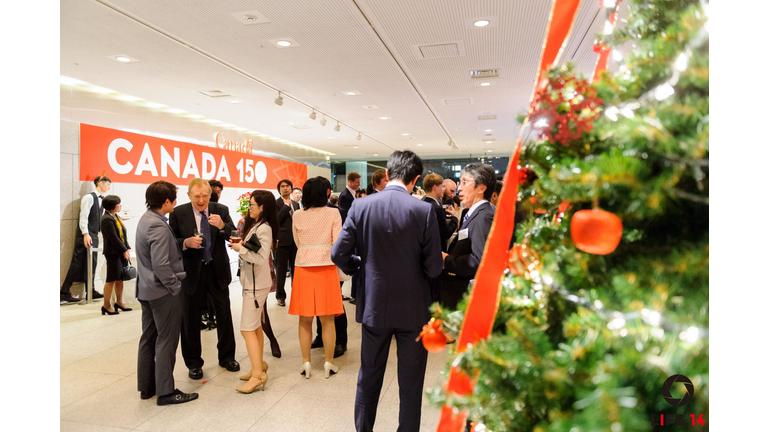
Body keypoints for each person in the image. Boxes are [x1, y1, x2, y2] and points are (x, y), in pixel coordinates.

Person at [332, 150, 442, 432]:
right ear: (415, 178)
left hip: (375, 307)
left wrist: (360, 267)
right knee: (411, 383)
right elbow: (433, 268)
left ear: (388, 173)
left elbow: (338, 254)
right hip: (413, 310)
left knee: (368, 377)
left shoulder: (361, 207)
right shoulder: (423, 210)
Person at [169, 178, 239, 381]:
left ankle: (227, 357)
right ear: (189, 195)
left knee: (224, 315)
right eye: (197, 196)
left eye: (205, 196)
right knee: (190, 320)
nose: (201, 200)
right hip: (191, 273)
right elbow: (171, 241)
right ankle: (193, 364)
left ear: (211, 195)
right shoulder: (178, 213)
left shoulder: (221, 209)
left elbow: (233, 235)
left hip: (217, 271)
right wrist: (186, 242)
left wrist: (223, 226)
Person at [135, 181, 198, 405]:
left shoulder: (146, 219)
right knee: (166, 341)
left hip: (146, 290)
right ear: (166, 202)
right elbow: (161, 265)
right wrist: (175, 286)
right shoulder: (159, 226)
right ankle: (166, 391)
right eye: (174, 199)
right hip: (162, 292)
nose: (176, 203)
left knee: (149, 339)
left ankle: (147, 387)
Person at [290, 177, 345, 379]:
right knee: (327, 319)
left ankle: (306, 363)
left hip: (303, 267)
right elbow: (337, 241)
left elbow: (297, 242)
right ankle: (329, 363)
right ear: (325, 194)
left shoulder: (297, 215)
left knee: (304, 319)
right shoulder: (333, 212)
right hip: (326, 266)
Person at [229, 190, 278, 393]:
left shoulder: (264, 228)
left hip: (256, 285)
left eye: (252, 205)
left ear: (262, 207)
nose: (250, 208)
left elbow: (260, 257)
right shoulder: (257, 225)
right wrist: (241, 246)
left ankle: (258, 375)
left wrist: (240, 249)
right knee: (255, 326)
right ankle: (258, 365)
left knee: (247, 328)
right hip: (252, 283)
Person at [441, 163, 497, 309]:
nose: (459, 188)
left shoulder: (484, 216)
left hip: (467, 297)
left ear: (481, 188)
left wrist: (447, 259)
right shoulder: (474, 213)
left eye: (464, 182)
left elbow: (479, 261)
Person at [310, 177, 349, 359]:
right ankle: (321, 335)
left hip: (330, 264)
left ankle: (340, 340)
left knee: (335, 305)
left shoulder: (334, 212)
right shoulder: (303, 214)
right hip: (310, 264)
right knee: (318, 303)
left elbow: (338, 241)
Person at [60, 175, 111, 303]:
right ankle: (64, 292)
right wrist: (85, 233)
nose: (109, 187)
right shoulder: (89, 197)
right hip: (86, 234)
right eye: (107, 184)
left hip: (94, 234)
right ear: (99, 183)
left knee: (92, 263)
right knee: (77, 263)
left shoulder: (102, 200)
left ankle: (91, 290)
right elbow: (83, 216)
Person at [99, 195, 132, 315]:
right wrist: (124, 250)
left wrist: (127, 248)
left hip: (120, 252)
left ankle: (119, 302)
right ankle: (106, 305)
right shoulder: (107, 219)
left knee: (120, 278)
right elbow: (113, 238)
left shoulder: (115, 216)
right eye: (118, 203)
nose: (120, 205)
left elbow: (122, 234)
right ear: (113, 206)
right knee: (111, 279)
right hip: (113, 254)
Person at [275, 179, 301, 307]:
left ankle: (297, 295)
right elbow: (276, 220)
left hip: (295, 242)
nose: (285, 188)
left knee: (296, 270)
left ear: (291, 188)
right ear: (279, 189)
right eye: (283, 186)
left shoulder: (296, 204)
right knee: (281, 270)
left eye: (288, 186)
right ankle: (280, 296)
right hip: (282, 243)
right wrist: (285, 207)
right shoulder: (276, 203)